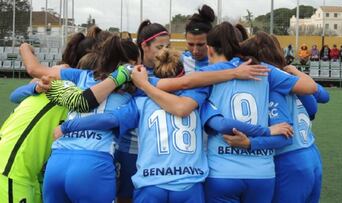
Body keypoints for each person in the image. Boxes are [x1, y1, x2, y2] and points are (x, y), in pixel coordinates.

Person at [53, 48, 292, 203]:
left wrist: (67, 128)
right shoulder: (198, 97)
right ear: (182, 72)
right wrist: (266, 131)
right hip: (188, 185)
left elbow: (108, 120)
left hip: (150, 183)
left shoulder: (140, 100)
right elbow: (222, 124)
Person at [20, 35, 140, 203]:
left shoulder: (79, 75)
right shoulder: (134, 91)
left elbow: (33, 69)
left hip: (57, 162)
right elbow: (170, 86)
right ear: (132, 64)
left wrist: (25, 47)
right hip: (93, 164)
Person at [234, 31, 329, 203]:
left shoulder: (271, 82)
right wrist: (295, 71)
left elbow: (284, 135)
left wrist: (249, 143)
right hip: (312, 155)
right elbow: (322, 97)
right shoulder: (290, 78)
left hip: (290, 161)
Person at [182, 4, 215, 73]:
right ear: (185, 38)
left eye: (200, 45)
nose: (195, 51)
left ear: (211, 40)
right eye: (190, 44)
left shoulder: (220, 63)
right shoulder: (179, 61)